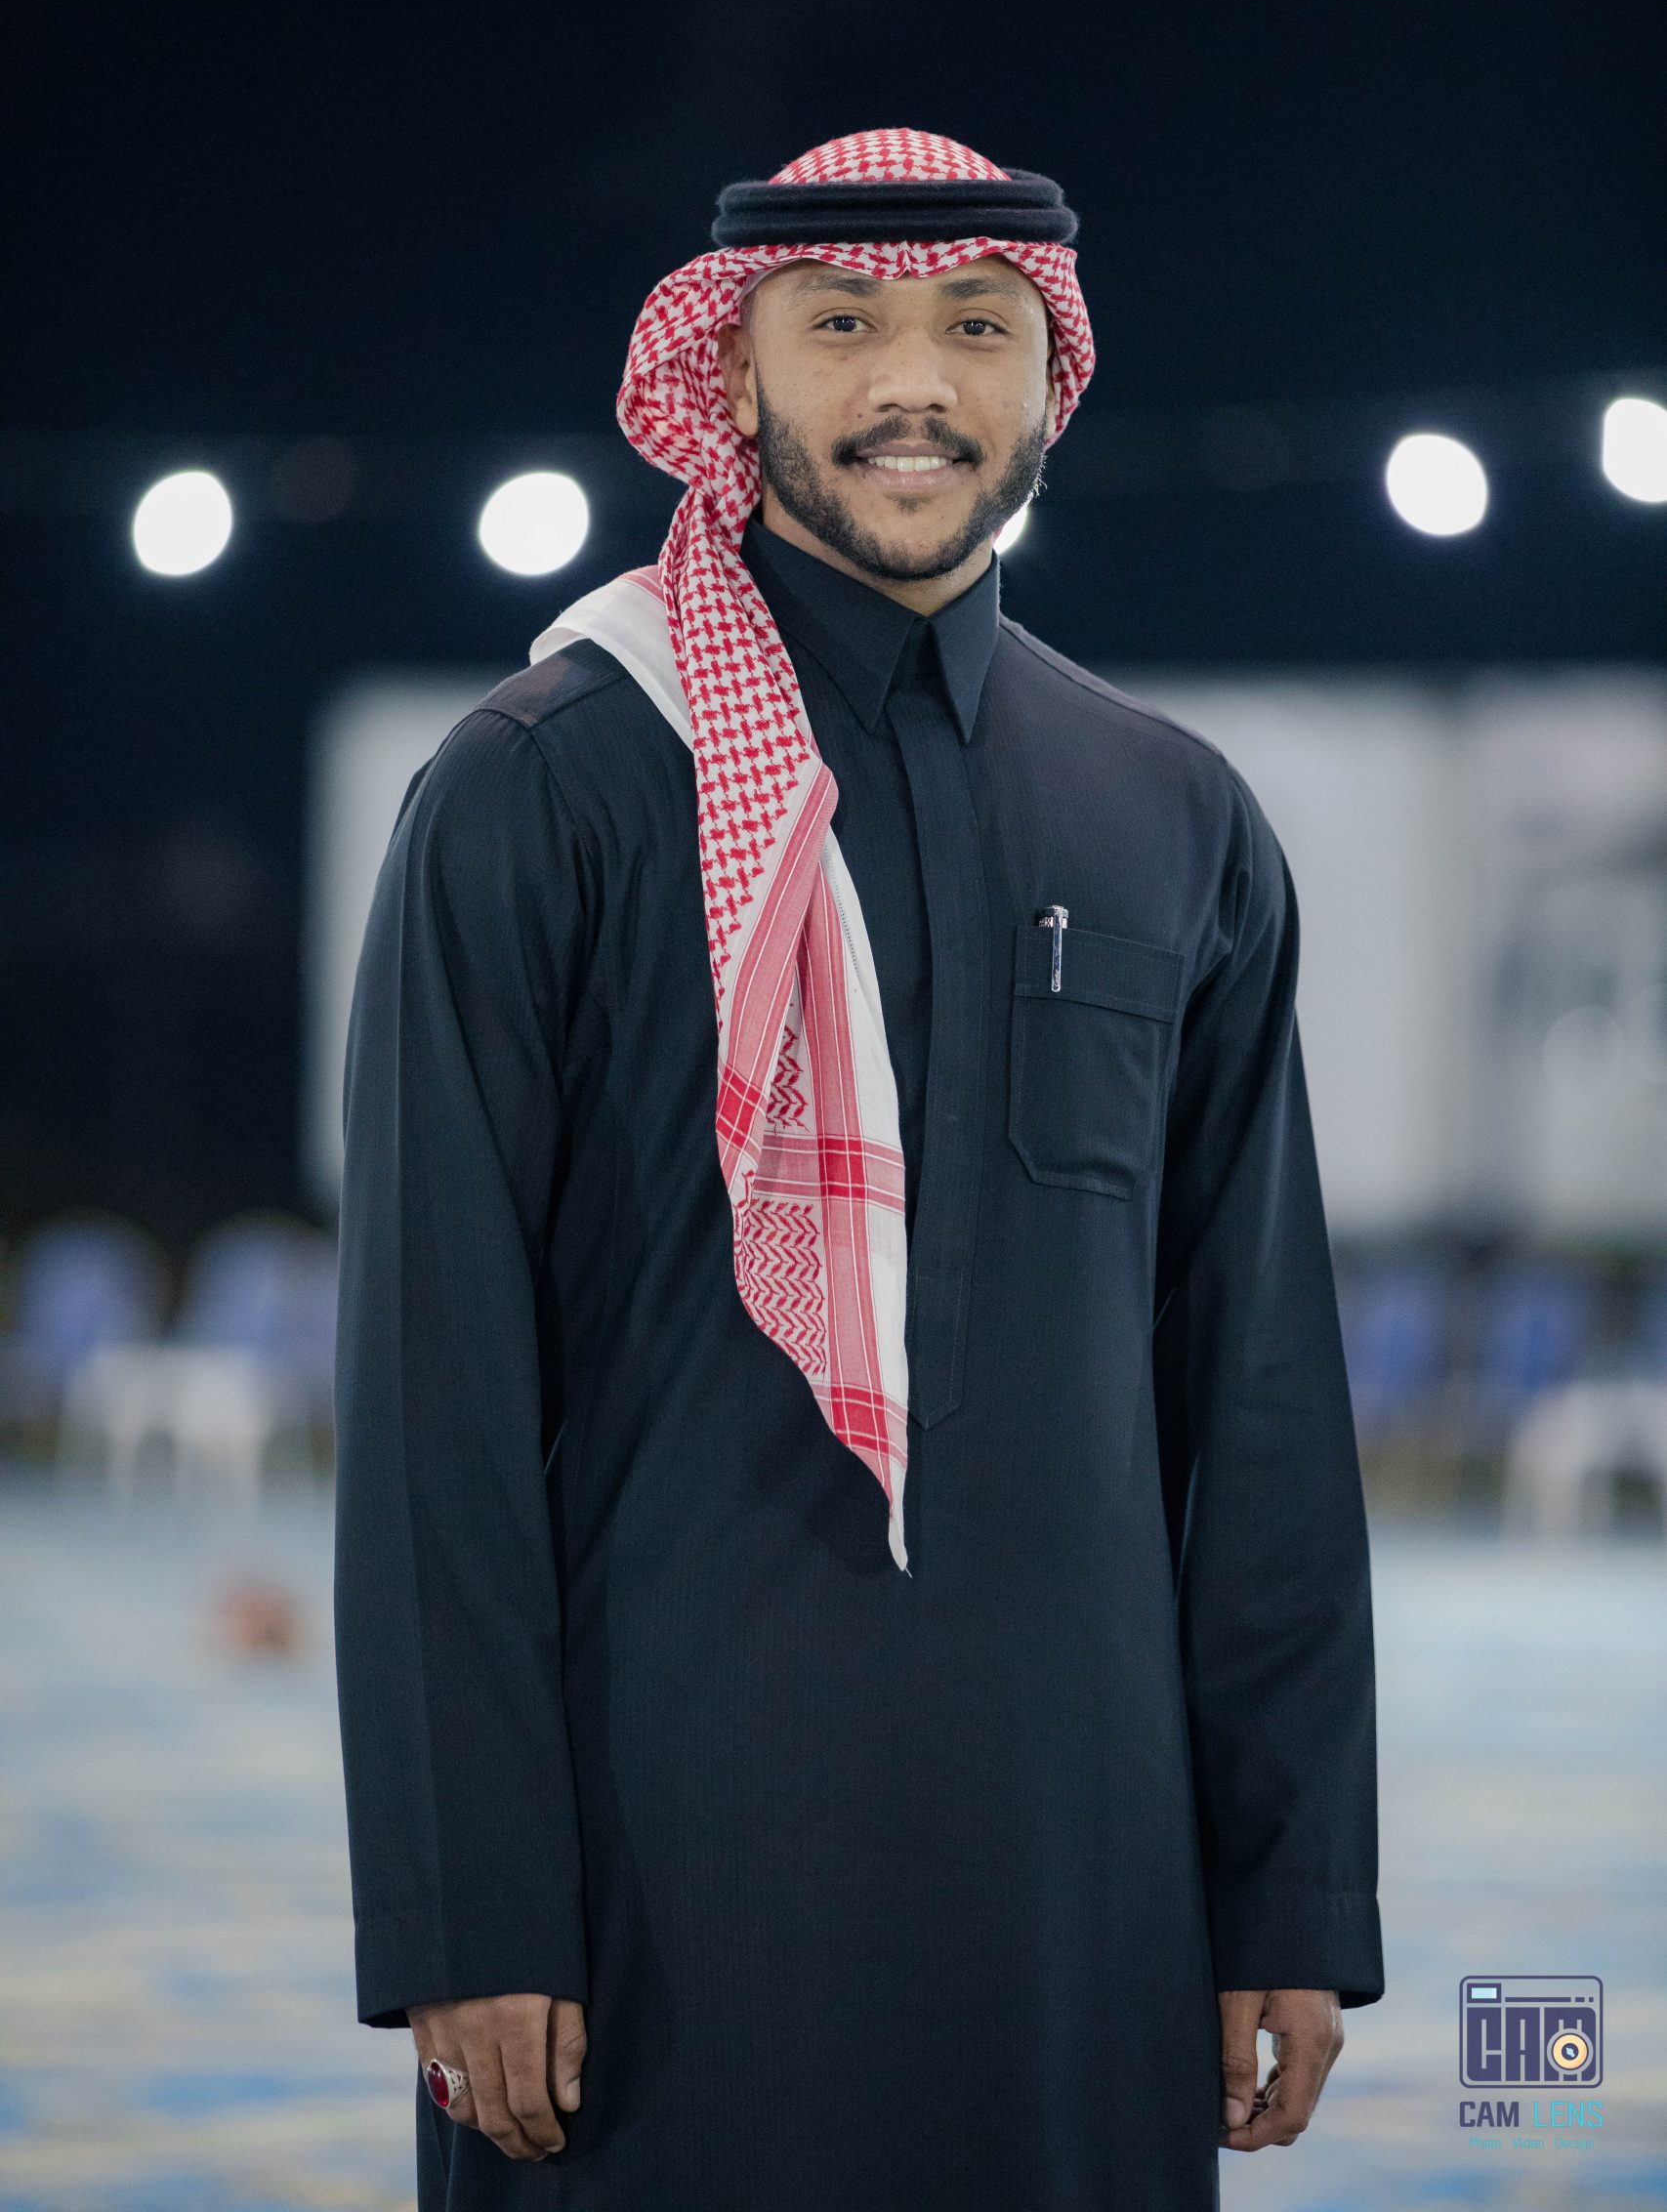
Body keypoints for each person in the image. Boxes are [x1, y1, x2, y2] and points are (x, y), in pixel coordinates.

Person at [332, 127, 1384, 2212]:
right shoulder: (544, 789)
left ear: (1051, 376)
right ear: (727, 376)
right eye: (841, 326)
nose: (913, 383)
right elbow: (432, 1389)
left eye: (975, 328)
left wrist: (1289, 1888)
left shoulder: (1174, 816)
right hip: (658, 1881)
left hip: (1088, 1881)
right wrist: (471, 1905)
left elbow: (1258, 1388)